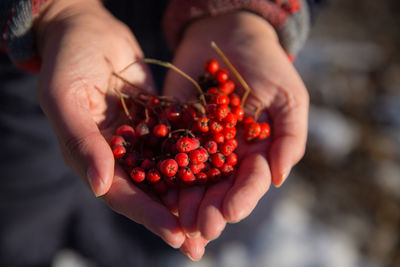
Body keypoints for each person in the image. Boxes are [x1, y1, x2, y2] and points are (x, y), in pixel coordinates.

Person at [0, 0, 313, 264]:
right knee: (21, 217)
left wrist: (250, 12)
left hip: (197, 28)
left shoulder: (198, 129)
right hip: (30, 64)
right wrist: (58, 10)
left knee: (167, 232)